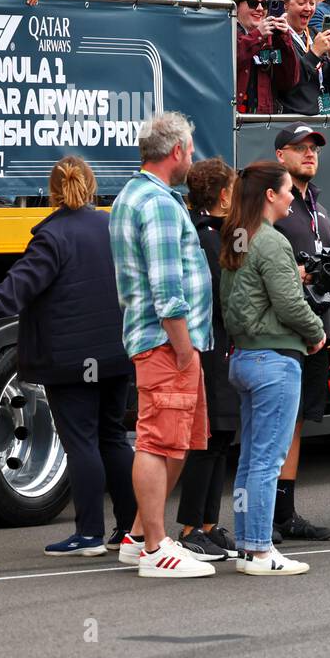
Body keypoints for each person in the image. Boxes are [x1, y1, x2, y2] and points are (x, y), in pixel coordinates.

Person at [0, 157, 133, 557]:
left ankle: (89, 534)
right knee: (114, 438)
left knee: (81, 443)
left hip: (72, 361)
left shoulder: (52, 236)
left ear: (52, 191)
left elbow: (22, 282)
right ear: (92, 186)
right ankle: (130, 528)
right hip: (114, 353)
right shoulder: (110, 227)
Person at [108, 111, 215, 578]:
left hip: (164, 342)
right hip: (167, 343)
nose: (192, 157)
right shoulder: (159, 204)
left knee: (178, 441)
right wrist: (185, 348)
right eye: (190, 149)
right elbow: (166, 285)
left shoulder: (137, 195)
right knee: (156, 442)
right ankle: (154, 547)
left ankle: (137, 537)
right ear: (176, 151)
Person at [219, 161, 325, 576]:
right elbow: (289, 303)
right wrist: (317, 332)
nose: (291, 198)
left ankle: (248, 544)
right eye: (286, 191)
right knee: (267, 461)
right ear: (270, 195)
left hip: (244, 357)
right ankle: (260, 551)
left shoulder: (239, 238)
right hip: (274, 360)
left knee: (250, 460)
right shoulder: (273, 241)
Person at [272, 124, 330, 542]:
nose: (309, 154)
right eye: (300, 148)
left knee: (297, 422)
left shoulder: (318, 208)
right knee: (273, 423)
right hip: (280, 331)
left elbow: (328, 283)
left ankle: (286, 514)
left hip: (316, 332)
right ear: (280, 156)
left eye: (313, 148)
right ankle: (262, 513)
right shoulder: (274, 206)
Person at [175, 157, 239, 561]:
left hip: (226, 345)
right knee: (208, 438)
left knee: (223, 437)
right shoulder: (203, 236)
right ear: (223, 194)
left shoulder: (223, 234)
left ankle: (210, 525)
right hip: (211, 345)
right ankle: (189, 528)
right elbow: (219, 291)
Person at [228, 0, 299, 115]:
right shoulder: (225, 30)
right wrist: (258, 36)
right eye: (253, 3)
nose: (260, 8)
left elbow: (289, 81)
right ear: (236, 4)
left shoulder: (272, 35)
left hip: (263, 121)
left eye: (265, 4)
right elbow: (228, 64)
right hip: (233, 120)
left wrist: (283, 38)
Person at [277, 0, 330, 117]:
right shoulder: (277, 36)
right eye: (302, 3)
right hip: (291, 120)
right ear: (286, 4)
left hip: (320, 116)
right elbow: (287, 83)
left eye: (312, 3)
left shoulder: (314, 34)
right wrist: (314, 53)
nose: (308, 8)